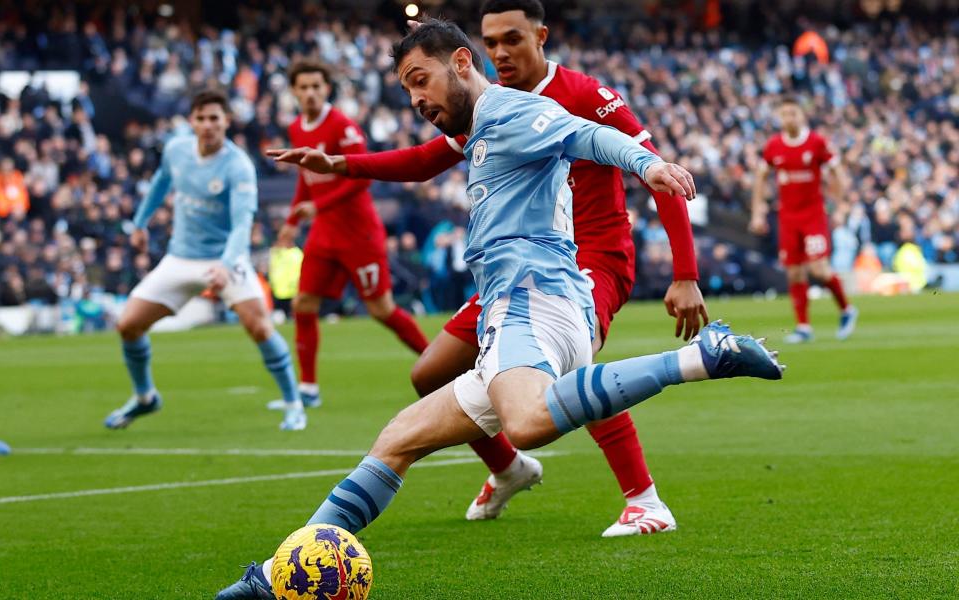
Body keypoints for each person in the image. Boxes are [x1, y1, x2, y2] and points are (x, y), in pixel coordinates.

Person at [216, 20, 782, 599]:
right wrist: (341, 165)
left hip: (537, 299)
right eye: (407, 90)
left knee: (528, 423)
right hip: (506, 314)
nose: (415, 100)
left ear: (461, 62)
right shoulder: (479, 126)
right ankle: (277, 575)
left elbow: (584, 135)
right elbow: (419, 159)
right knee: (397, 440)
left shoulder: (512, 111)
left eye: (421, 81)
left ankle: (699, 359)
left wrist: (647, 166)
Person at [270, 0, 708, 538]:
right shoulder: (482, 109)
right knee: (430, 373)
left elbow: (635, 158)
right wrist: (340, 164)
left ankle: (644, 498)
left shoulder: (580, 97)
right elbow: (426, 159)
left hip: (587, 257)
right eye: (491, 41)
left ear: (540, 37)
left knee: (567, 368)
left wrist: (685, 272)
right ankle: (508, 467)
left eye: (512, 39)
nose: (499, 52)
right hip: (508, 271)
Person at [104, 89, 305, 432]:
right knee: (129, 325)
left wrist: (226, 265)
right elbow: (159, 184)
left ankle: (293, 403)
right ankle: (145, 397)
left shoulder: (238, 165)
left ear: (227, 121)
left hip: (225, 258)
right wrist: (139, 222)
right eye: (201, 118)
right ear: (191, 122)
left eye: (215, 118)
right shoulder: (176, 149)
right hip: (181, 257)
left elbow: (243, 222)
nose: (208, 125)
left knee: (259, 327)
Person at [267, 61, 429, 411]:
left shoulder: (343, 126)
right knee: (303, 304)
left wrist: (318, 206)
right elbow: (305, 178)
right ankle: (308, 389)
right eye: (303, 87)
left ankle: (438, 362)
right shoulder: (296, 127)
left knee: (381, 309)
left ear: (326, 89)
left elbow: (363, 177)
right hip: (324, 234)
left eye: (316, 86)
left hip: (358, 234)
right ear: (293, 91)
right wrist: (294, 219)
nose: (310, 93)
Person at [750, 97, 858, 343]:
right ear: (779, 118)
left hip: (813, 216)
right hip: (787, 217)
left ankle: (846, 309)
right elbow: (760, 176)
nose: (789, 118)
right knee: (795, 273)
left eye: (793, 113)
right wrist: (758, 211)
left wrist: (840, 206)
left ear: (802, 116)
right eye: (785, 114)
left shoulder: (816, 143)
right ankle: (803, 326)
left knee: (818, 269)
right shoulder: (774, 145)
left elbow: (837, 173)